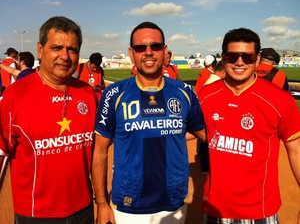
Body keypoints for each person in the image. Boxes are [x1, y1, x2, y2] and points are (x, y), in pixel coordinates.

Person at [92, 21, 206, 224]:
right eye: (140, 48)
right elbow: (100, 151)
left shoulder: (185, 93)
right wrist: (101, 203)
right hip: (129, 205)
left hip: (173, 203)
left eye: (155, 46)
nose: (148, 52)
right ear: (131, 53)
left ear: (164, 50)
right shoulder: (114, 94)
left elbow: (207, 135)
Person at [0, 16, 97, 223]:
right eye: (57, 48)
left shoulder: (88, 94)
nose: (65, 56)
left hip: (84, 209)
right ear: (40, 49)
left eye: (72, 49)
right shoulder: (15, 95)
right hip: (36, 214)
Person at [198, 27, 300, 223]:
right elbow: (188, 130)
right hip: (214, 208)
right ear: (223, 58)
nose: (239, 62)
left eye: (247, 56)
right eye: (232, 56)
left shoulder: (280, 100)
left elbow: (295, 149)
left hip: (260, 211)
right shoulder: (206, 96)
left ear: (258, 58)